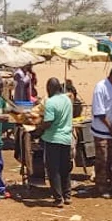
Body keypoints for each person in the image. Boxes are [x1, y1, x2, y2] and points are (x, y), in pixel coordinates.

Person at [90, 66, 112, 198]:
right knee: (102, 161)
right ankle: (102, 187)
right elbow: (99, 112)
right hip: (103, 132)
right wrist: (110, 127)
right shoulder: (101, 87)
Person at [39, 77, 75, 206]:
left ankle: (58, 199)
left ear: (50, 88)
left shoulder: (51, 102)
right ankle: (67, 195)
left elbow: (48, 122)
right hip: (66, 138)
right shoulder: (67, 100)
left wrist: (39, 127)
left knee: (53, 170)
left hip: (53, 139)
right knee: (65, 168)